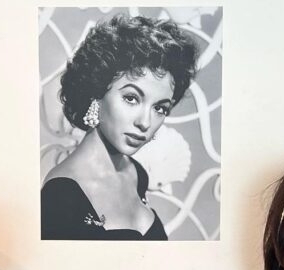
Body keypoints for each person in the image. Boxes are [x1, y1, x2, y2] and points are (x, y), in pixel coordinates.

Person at [41, 13, 198, 240]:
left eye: (160, 108)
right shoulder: (61, 198)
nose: (145, 123)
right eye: (131, 98)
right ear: (96, 92)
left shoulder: (137, 174)